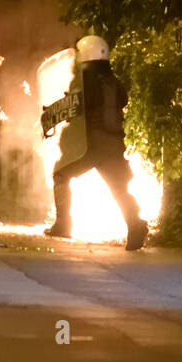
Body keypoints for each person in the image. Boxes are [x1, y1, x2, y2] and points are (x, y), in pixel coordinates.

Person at [41, 34, 149, 251]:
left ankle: (63, 224)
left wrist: (53, 112)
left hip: (90, 146)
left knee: (61, 175)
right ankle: (135, 224)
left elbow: (74, 106)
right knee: (119, 188)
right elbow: (123, 100)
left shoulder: (84, 81)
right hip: (114, 145)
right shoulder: (113, 81)